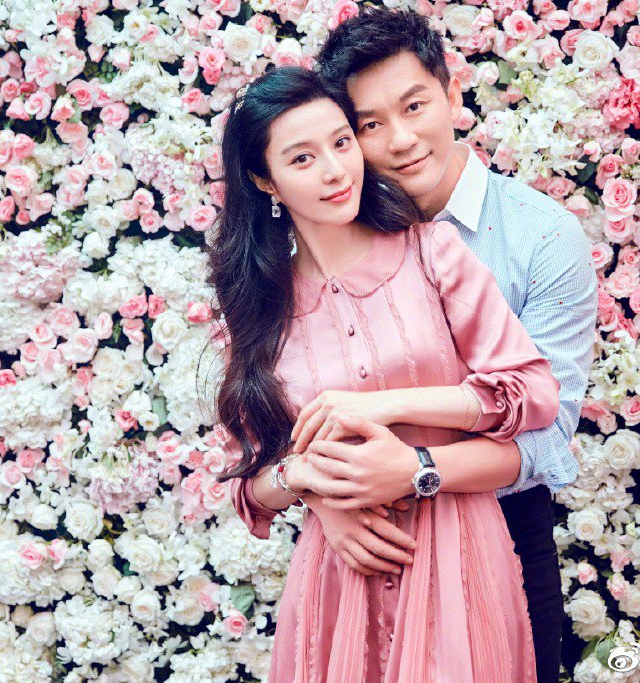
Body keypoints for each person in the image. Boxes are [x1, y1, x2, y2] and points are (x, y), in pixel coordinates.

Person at [209, 65, 559, 682]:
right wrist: (307, 482)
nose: (334, 170)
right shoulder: (261, 309)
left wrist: (387, 407)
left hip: (459, 559)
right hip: (341, 578)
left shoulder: (432, 252)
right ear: (265, 181)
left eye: (342, 142)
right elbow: (249, 487)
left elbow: (531, 394)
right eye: (302, 158)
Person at [292, 9, 599, 683]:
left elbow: (549, 434)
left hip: (504, 535)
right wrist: (324, 495)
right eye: (370, 125)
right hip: (366, 542)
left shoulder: (541, 238)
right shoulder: (325, 240)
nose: (401, 140)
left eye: (414, 106)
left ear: (453, 93)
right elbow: (290, 407)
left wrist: (416, 469)